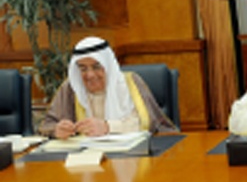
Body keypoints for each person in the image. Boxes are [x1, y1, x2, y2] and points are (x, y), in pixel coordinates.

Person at [38, 36, 177, 139]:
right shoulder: (70, 88)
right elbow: (46, 126)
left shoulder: (130, 83)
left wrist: (107, 127)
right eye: (83, 69)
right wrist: (57, 130)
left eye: (96, 67)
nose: (90, 75)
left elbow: (147, 124)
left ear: (109, 66)